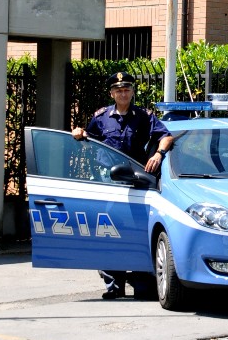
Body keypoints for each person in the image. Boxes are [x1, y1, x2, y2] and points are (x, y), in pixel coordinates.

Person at [72, 71, 173, 300]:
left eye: (127, 89)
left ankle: (141, 282)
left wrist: (158, 154)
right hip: (107, 182)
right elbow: (88, 138)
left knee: (136, 231)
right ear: (112, 93)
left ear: (132, 92)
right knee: (109, 232)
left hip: (135, 182)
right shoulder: (101, 117)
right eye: (118, 90)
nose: (123, 93)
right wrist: (78, 134)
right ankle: (114, 285)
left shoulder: (144, 116)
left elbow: (166, 137)